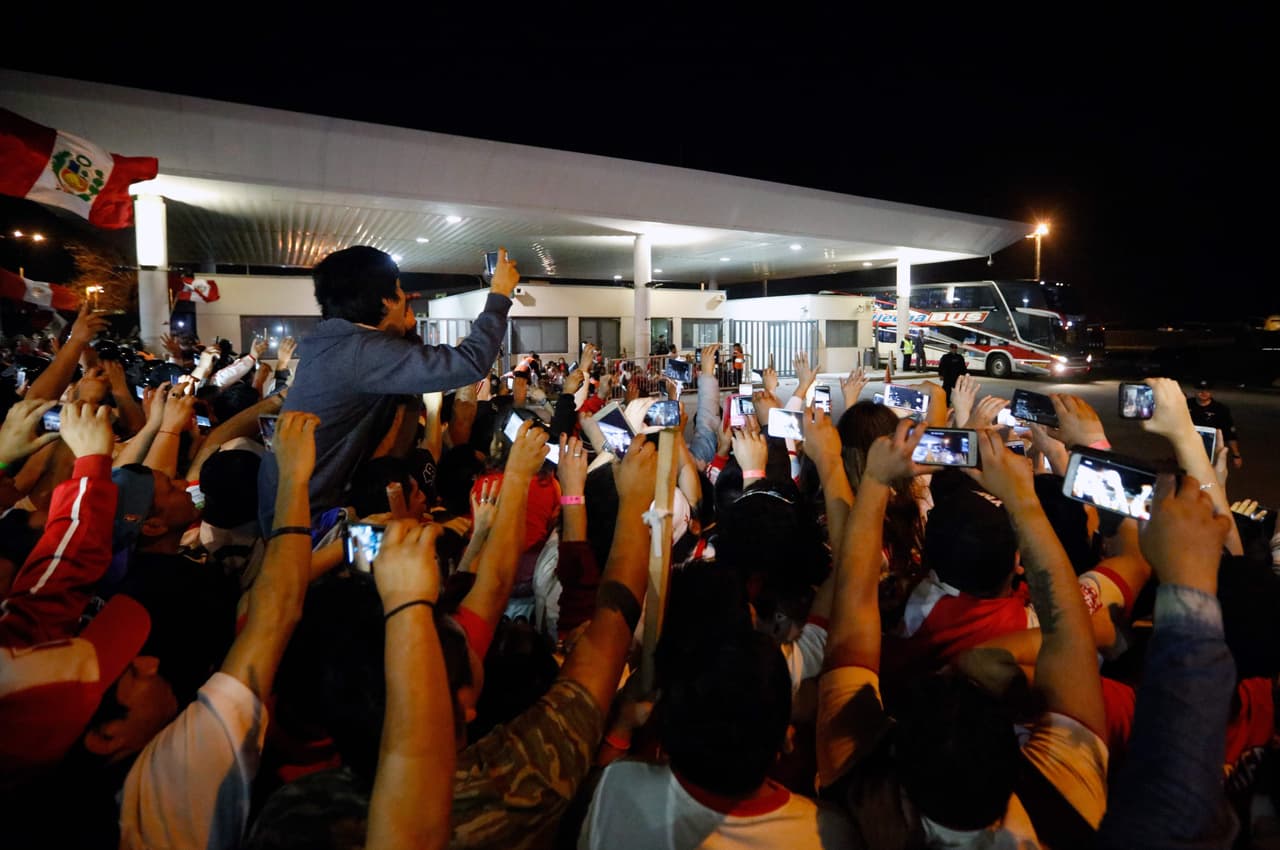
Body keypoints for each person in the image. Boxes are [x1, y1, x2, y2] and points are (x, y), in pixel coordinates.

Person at [257, 245, 518, 530]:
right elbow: (469, 362)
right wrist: (500, 295)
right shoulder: (360, 352)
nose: (405, 295)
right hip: (307, 520)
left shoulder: (332, 342)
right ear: (385, 299)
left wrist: (404, 331)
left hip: (287, 506)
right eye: (398, 288)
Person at [1187, 378, 1242, 469]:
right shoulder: (1185, 405)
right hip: (1187, 449)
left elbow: (1230, 434)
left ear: (1212, 391)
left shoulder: (1221, 409)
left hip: (1211, 451)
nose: (1204, 392)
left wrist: (1236, 455)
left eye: (1207, 390)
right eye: (1200, 389)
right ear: (1195, 390)